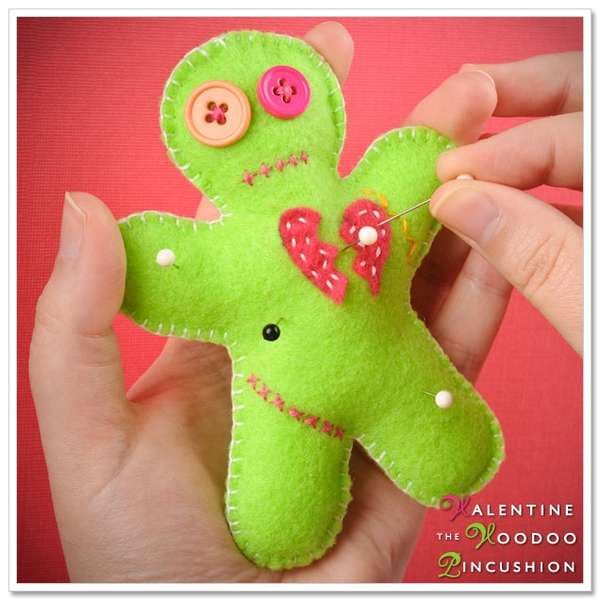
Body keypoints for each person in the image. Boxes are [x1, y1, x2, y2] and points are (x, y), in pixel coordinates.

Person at [28, 22, 583, 582]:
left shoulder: (371, 200)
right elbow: (164, 266)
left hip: (378, 375)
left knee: (440, 455)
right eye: (222, 113)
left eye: (278, 96)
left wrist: (428, 166)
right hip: (298, 402)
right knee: (284, 520)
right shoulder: (230, 253)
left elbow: (418, 169)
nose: (255, 121)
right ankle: (295, 512)